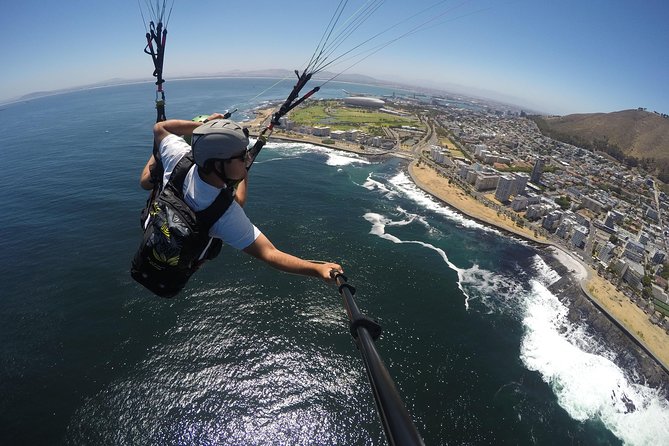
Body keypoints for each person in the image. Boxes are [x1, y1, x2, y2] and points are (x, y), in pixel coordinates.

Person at [139, 112, 342, 285]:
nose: (247, 158)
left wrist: (204, 129)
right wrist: (317, 270)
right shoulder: (225, 216)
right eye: (241, 156)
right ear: (219, 164)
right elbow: (270, 254)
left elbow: (160, 128)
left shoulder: (178, 157)